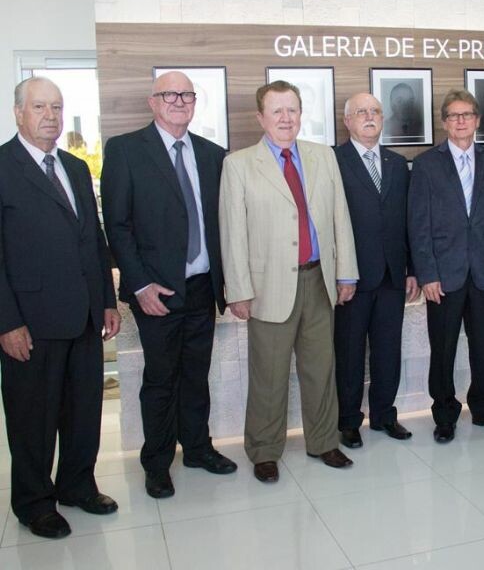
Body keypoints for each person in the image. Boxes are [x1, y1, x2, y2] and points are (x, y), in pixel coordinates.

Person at [101, 71, 237, 500]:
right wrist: (139, 285)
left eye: (187, 95)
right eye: (170, 94)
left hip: (201, 287)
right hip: (155, 291)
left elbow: (222, 225)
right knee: (161, 379)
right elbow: (117, 226)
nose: (180, 101)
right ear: (153, 102)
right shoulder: (125, 151)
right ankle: (157, 463)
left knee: (197, 375)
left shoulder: (213, 154)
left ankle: (197, 448)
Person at [219, 80, 359, 482]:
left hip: (318, 281)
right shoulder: (239, 165)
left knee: (321, 368)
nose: (285, 118)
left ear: (301, 115)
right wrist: (239, 291)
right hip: (267, 287)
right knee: (269, 373)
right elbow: (233, 233)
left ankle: (323, 441)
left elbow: (340, 219)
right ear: (260, 117)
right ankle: (264, 450)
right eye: (277, 111)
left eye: (292, 110)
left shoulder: (322, 157)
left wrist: (346, 272)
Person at [0, 77, 121, 539]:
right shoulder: (4, 166)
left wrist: (106, 302)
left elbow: (93, 239)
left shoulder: (72, 167)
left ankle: (77, 486)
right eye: (38, 107)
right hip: (30, 322)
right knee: (33, 417)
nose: (49, 116)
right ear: (18, 113)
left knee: (83, 410)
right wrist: (6, 322)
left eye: (56, 107)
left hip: (86, 317)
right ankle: (33, 502)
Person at [408, 89, 484, 444]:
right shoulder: (426, 164)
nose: (460, 121)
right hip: (443, 274)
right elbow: (418, 225)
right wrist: (427, 274)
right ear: (444, 122)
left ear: (477, 120)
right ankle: (444, 414)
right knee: (443, 347)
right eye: (453, 116)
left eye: (466, 115)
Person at [334, 93, 419, 449]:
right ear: (348, 121)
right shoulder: (332, 161)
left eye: (375, 112)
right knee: (350, 352)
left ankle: (385, 415)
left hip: (392, 276)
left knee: (388, 350)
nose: (369, 117)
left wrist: (412, 269)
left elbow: (409, 221)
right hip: (351, 277)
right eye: (361, 112)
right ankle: (349, 421)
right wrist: (340, 273)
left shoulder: (398, 164)